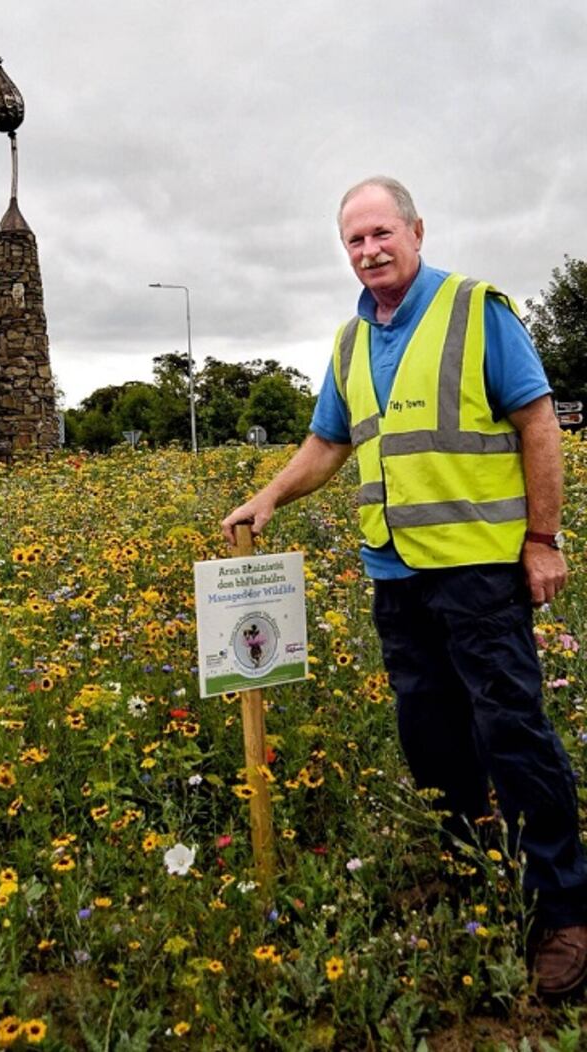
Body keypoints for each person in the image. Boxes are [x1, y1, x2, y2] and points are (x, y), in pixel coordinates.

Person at [221, 176, 587, 998]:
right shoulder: (352, 343)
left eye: (381, 233)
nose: (369, 250)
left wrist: (541, 538)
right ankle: (468, 865)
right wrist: (271, 494)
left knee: (512, 735)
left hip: (481, 572)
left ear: (417, 231)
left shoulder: (473, 310)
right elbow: (328, 442)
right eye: (353, 241)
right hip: (396, 575)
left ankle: (565, 908)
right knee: (430, 736)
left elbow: (539, 421)